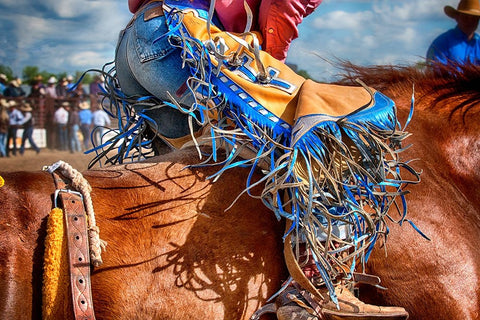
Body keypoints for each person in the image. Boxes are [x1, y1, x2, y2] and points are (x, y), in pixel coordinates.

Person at [108, 1, 417, 319]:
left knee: (206, 160)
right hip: (182, 38)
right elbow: (281, 11)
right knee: (328, 129)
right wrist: (272, 66)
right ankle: (319, 286)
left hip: (135, 43)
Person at [427, 0, 480, 66]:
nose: (470, 22)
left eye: (474, 18)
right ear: (457, 17)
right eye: (465, 17)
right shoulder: (441, 42)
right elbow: (434, 71)